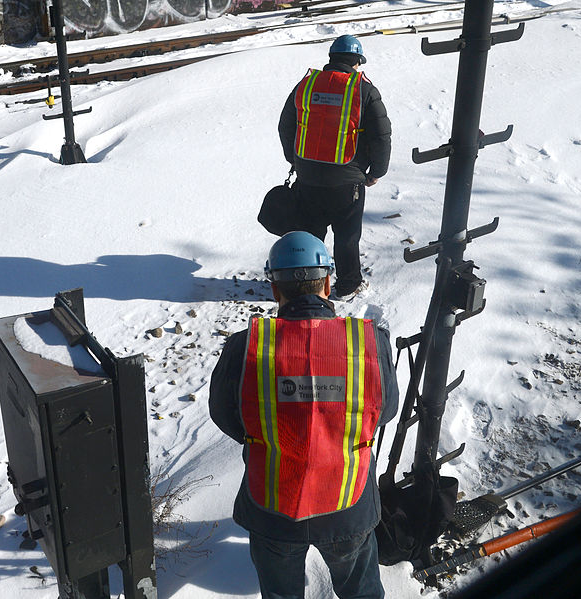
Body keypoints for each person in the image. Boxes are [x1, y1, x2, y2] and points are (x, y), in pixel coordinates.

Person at [209, 231, 399, 599]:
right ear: (328, 282)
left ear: (275, 289)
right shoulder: (369, 342)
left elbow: (224, 414)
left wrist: (270, 438)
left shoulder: (246, 345)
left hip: (272, 506)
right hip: (349, 502)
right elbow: (384, 411)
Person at [278, 34, 392, 298]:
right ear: (356, 62)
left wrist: (294, 159)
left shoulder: (306, 84)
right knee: (346, 238)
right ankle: (349, 285)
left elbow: (286, 125)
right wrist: (376, 172)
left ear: (331, 58)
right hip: (346, 181)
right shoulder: (363, 89)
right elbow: (381, 135)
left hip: (307, 178)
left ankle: (305, 284)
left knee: (310, 234)